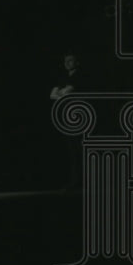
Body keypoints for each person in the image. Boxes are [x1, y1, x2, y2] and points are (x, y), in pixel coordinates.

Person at [50, 52, 82, 190]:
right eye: (65, 61)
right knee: (71, 149)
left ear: (77, 62)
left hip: (79, 116)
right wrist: (62, 93)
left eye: (70, 60)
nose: (67, 63)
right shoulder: (63, 77)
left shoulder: (80, 76)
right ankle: (74, 180)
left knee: (78, 147)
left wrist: (61, 93)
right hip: (66, 117)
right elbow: (52, 95)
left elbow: (66, 92)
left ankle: (80, 181)